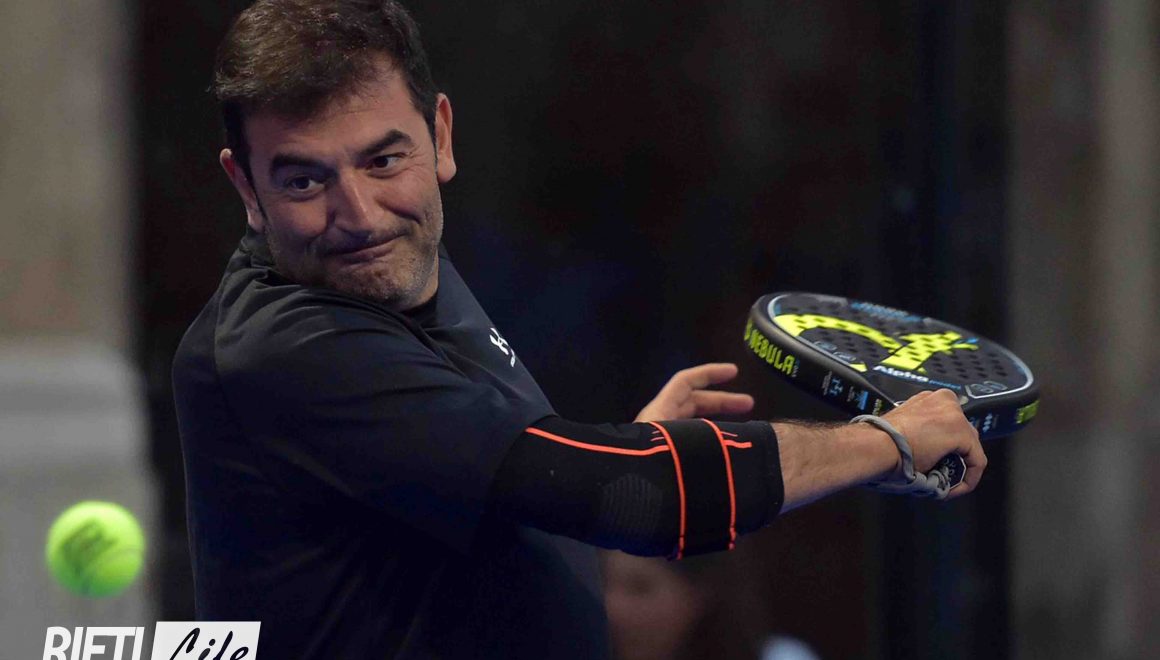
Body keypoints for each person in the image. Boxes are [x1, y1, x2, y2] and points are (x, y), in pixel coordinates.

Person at [171, 1, 986, 658]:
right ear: (246, 187)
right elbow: (632, 497)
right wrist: (888, 442)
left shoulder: (399, 267)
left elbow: (494, 497)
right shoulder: (286, 349)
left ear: (441, 136)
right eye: (304, 180)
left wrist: (617, 454)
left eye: (384, 161)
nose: (358, 213)